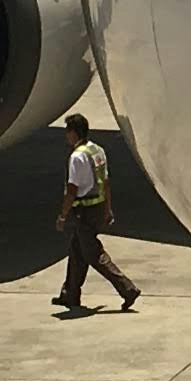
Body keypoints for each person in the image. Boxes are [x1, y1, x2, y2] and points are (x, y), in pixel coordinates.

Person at [53, 111, 140, 315]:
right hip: (98, 208)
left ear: (74, 133)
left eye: (68, 131)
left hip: (84, 212)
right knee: (76, 251)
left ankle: (127, 289)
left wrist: (63, 215)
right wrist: (108, 208)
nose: (66, 135)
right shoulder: (97, 150)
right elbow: (106, 182)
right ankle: (70, 294)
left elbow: (72, 189)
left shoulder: (77, 157)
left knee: (93, 254)